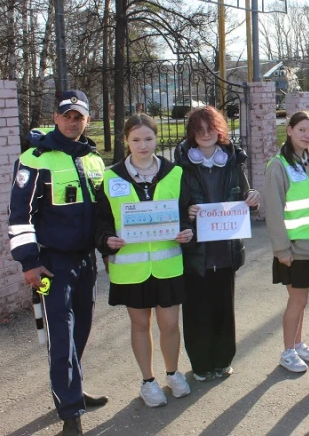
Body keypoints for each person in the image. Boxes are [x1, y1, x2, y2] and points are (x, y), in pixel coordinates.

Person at [8, 90, 108, 436]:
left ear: (87, 120)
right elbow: (19, 216)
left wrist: (107, 248)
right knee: (61, 337)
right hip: (51, 263)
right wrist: (29, 262)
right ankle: (70, 412)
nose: (72, 122)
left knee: (82, 329)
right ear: (55, 118)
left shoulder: (92, 159)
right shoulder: (35, 158)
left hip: (85, 261)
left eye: (78, 117)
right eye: (66, 116)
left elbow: (104, 212)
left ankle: (72, 390)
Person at [95, 113, 192, 408]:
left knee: (170, 324)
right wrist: (106, 240)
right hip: (131, 268)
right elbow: (101, 221)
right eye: (136, 139)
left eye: (148, 138)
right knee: (140, 324)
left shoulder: (175, 173)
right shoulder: (111, 177)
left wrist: (187, 231)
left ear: (156, 138)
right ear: (126, 140)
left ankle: (173, 373)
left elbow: (186, 212)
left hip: (167, 265)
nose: (143, 145)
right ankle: (148, 381)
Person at [175, 106, 260, 381]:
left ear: (219, 130)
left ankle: (223, 361)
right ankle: (201, 365)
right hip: (196, 252)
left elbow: (245, 197)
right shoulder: (181, 167)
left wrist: (252, 198)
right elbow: (174, 206)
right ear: (192, 133)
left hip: (225, 250)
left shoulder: (232, 162)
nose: (205, 134)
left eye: (210, 128)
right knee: (196, 310)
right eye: (199, 130)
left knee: (224, 308)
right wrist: (186, 213)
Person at [264, 111, 309, 373]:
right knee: (297, 300)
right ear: (289, 130)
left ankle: (298, 344)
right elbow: (273, 211)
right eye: (301, 130)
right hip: (294, 248)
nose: (307, 135)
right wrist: (282, 249)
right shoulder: (278, 166)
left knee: (302, 300)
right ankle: (288, 351)